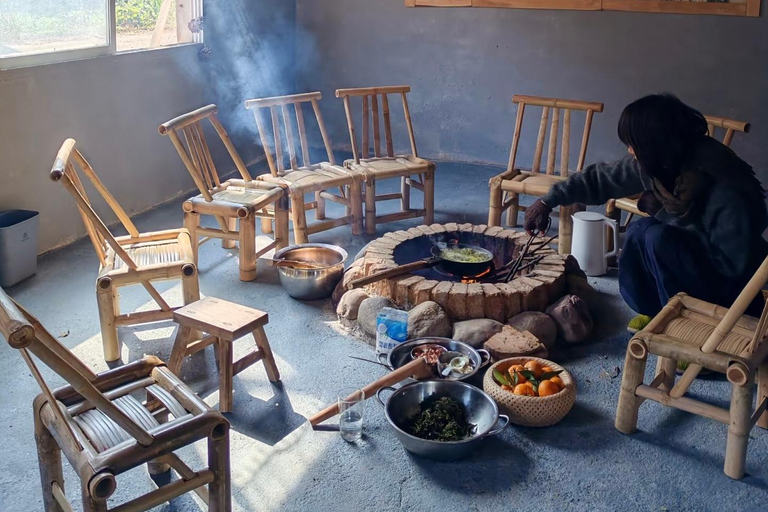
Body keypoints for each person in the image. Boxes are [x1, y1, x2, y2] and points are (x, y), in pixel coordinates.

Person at [524, 94, 768, 321]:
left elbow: (734, 264)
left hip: (731, 291)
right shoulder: (663, 160)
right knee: (640, 230)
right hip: (702, 266)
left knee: (656, 236)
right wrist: (547, 201)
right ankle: (656, 312)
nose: (630, 151)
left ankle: (686, 326)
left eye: (633, 144)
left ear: (655, 144)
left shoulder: (725, 184)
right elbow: (602, 178)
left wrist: (663, 214)